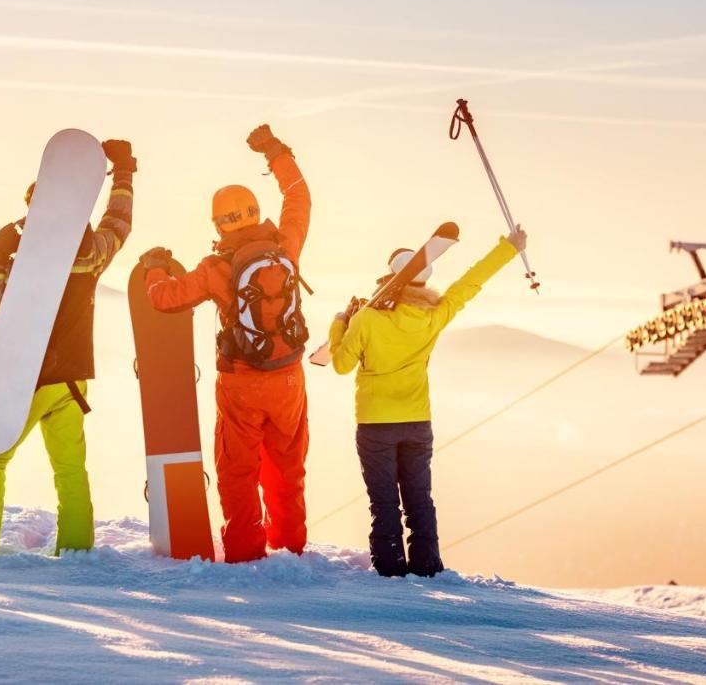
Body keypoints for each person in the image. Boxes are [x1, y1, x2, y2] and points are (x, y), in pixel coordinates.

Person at [141, 125, 311, 563]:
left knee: (238, 470)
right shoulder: (285, 247)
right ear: (255, 212)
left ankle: (245, 551)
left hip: (241, 384)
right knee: (287, 468)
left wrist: (154, 269)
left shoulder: (216, 267)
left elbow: (165, 300)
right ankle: (290, 546)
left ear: (218, 223)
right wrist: (276, 152)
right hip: (290, 376)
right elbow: (298, 197)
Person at [0, 139, 136, 555]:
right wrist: (125, 172)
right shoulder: (91, 251)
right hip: (71, 380)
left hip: (24, 378)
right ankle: (76, 550)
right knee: (71, 470)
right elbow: (119, 223)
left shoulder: (13, 242)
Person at [326, 225, 528, 577]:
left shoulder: (367, 319)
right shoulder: (434, 317)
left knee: (384, 501)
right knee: (419, 498)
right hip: (417, 421)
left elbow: (341, 365)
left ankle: (390, 568)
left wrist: (339, 324)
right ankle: (427, 565)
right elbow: (470, 283)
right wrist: (509, 248)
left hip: (375, 423)